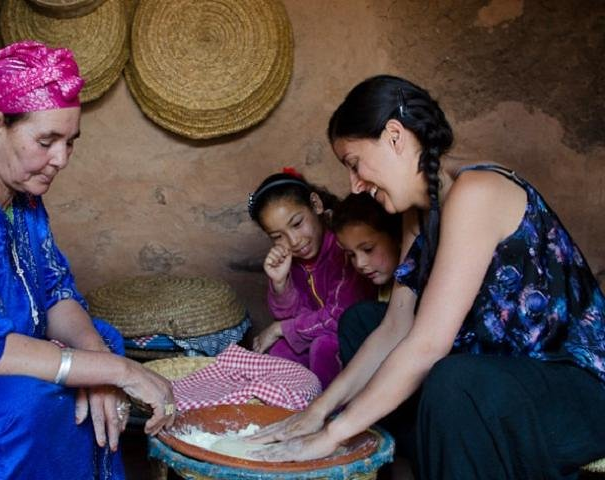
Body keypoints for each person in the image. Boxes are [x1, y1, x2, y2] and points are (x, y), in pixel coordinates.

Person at [250, 75, 605, 479]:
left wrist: (333, 434)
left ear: (395, 137)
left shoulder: (476, 192)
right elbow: (395, 327)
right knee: (362, 323)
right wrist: (316, 414)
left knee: (454, 381)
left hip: (576, 389)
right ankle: (431, 460)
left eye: (354, 164)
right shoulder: (417, 213)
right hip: (497, 377)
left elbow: (429, 343)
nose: (355, 185)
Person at [0, 41, 175, 479]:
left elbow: (55, 290)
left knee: (101, 340)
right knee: (32, 403)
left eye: (69, 143)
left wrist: (100, 364)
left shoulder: (21, 196)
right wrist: (118, 371)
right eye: (46, 141)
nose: (60, 159)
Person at [248, 168, 376, 389]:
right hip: (317, 332)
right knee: (280, 350)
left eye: (297, 224)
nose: (294, 240)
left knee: (323, 347)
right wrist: (281, 284)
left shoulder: (344, 245)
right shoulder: (292, 260)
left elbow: (338, 317)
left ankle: (332, 415)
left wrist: (280, 328)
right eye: (278, 237)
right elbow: (293, 315)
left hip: (361, 338)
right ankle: (289, 411)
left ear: (316, 204)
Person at [329, 192, 401, 367]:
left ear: (397, 237)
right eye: (351, 255)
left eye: (368, 249)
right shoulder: (378, 288)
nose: (360, 264)